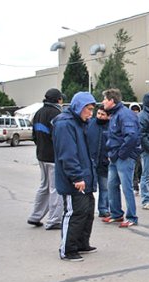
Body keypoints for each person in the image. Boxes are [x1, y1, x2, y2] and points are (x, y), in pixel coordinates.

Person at [53, 91, 97, 262]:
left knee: (87, 211)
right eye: (89, 109)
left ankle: (81, 243)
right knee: (75, 212)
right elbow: (68, 154)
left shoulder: (79, 123)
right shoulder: (65, 125)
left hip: (84, 177)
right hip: (75, 180)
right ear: (79, 107)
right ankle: (68, 249)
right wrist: (76, 177)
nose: (91, 114)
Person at [102, 89, 141, 228]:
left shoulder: (125, 115)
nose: (103, 102)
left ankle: (132, 217)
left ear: (112, 101)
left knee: (126, 187)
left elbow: (131, 136)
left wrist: (121, 154)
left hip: (123, 157)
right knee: (111, 185)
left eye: (105, 99)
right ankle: (116, 214)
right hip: (115, 156)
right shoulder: (115, 114)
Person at [27, 88, 65, 230]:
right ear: (58, 100)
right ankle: (54, 220)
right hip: (53, 157)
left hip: (41, 155)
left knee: (44, 186)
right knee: (56, 189)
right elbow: (58, 137)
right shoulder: (56, 114)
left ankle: (35, 216)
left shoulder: (38, 113)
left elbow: (34, 136)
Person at [87, 106, 111, 218]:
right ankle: (87, 210)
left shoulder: (111, 127)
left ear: (108, 116)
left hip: (104, 162)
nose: (100, 116)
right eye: (99, 113)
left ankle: (103, 209)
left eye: (103, 114)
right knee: (88, 187)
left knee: (105, 187)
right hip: (91, 161)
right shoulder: (90, 124)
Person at [130, 104, 142, 195]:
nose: (135, 111)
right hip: (131, 148)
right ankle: (135, 187)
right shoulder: (127, 120)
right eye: (133, 109)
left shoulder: (141, 120)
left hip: (140, 148)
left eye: (137, 109)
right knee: (134, 169)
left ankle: (138, 183)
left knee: (139, 168)